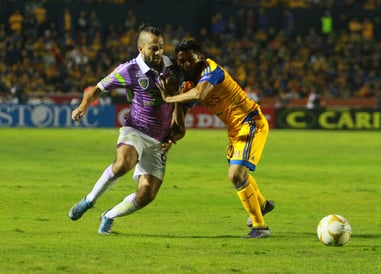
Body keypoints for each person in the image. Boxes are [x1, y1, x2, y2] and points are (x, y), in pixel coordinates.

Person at [68, 23, 186, 235]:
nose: (159, 52)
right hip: (136, 129)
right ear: (140, 48)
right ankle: (89, 200)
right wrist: (83, 105)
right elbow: (97, 88)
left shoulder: (173, 68)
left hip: (159, 140)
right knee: (124, 163)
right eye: (153, 48)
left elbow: (181, 100)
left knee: (146, 195)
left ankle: (109, 216)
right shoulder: (129, 70)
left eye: (161, 47)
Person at [158, 40, 275, 238]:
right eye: (181, 61)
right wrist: (172, 131)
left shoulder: (212, 70)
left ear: (200, 58)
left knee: (236, 174)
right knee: (239, 175)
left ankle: (260, 226)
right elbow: (180, 127)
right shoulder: (187, 85)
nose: (185, 65)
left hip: (251, 121)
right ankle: (261, 204)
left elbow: (200, 93)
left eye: (189, 60)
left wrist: (169, 99)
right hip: (234, 129)